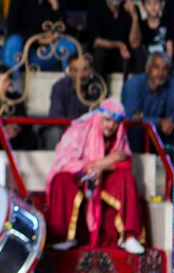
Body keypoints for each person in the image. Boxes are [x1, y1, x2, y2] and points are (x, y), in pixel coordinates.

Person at [46, 99, 145, 254]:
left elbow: (125, 161)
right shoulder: (79, 130)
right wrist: (99, 163)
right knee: (61, 180)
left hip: (103, 179)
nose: (111, 126)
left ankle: (129, 236)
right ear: (99, 117)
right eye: (107, 120)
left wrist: (102, 166)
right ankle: (65, 237)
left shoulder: (119, 135)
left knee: (126, 177)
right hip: (78, 176)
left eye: (115, 123)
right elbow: (64, 162)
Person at [1, 0, 76, 69]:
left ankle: (68, 84)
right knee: (13, 41)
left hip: (47, 52)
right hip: (24, 50)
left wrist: (54, 4)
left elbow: (63, 28)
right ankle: (11, 83)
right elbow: (12, 28)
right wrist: (38, 39)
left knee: (68, 45)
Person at [85, 0, 142, 75]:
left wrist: (134, 17)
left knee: (140, 53)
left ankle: (138, 88)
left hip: (124, 57)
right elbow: (95, 41)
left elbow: (135, 43)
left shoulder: (132, 9)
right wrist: (118, 45)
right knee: (99, 53)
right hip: (104, 56)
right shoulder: (95, 8)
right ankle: (100, 90)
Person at [121, 51, 174, 145]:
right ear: (147, 68)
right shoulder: (133, 84)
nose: (160, 73)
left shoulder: (169, 84)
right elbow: (131, 117)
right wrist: (159, 122)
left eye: (164, 69)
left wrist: (169, 122)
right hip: (136, 135)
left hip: (158, 135)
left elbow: (173, 114)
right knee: (135, 129)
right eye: (156, 68)